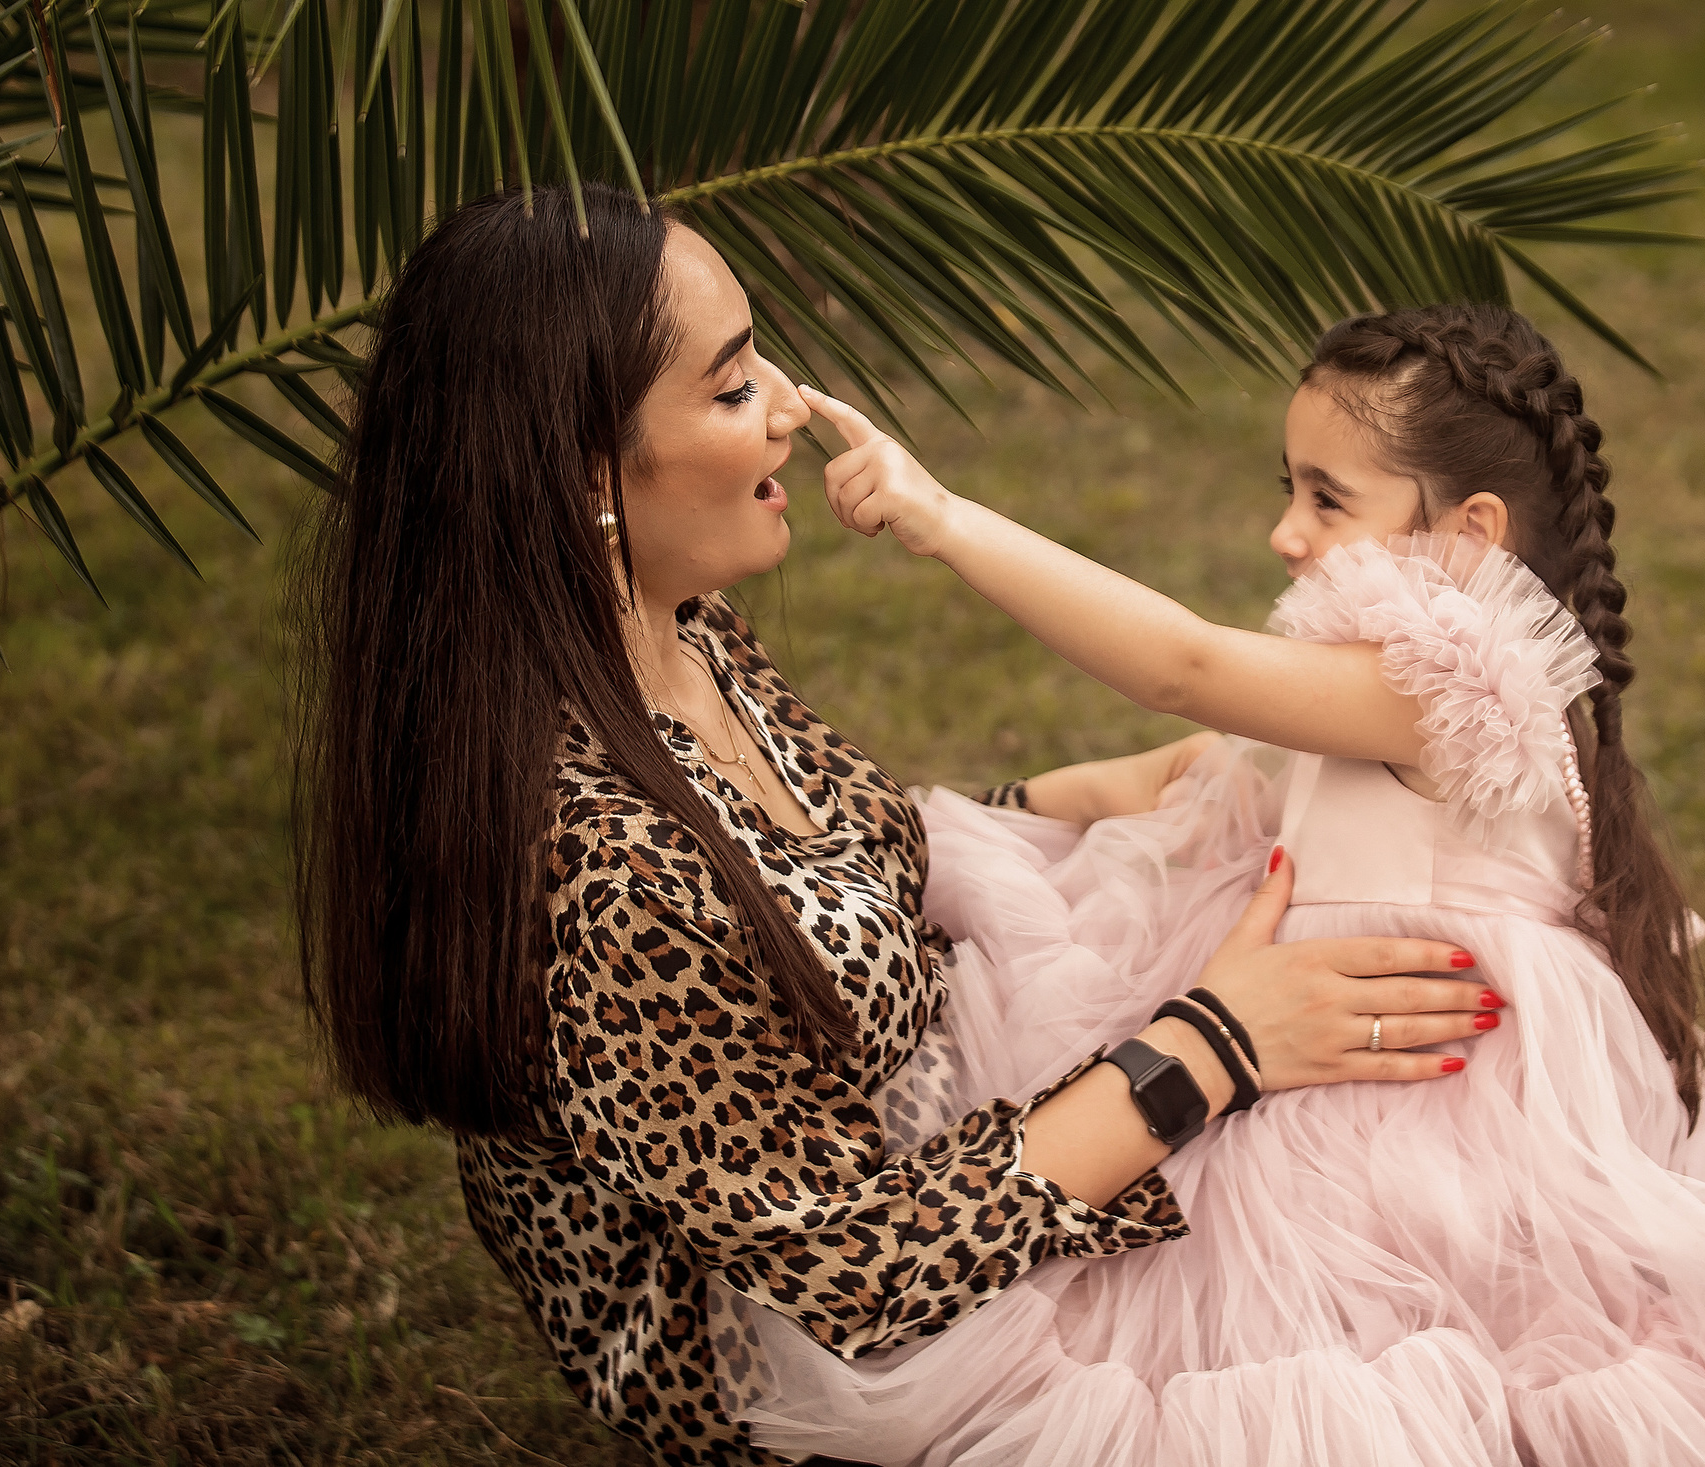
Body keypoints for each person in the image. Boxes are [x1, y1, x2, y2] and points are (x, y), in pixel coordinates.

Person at [722, 303, 1705, 1465]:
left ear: (1467, 529)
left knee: (1333, 1348)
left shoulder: (1458, 686)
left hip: (1394, 1113)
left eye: (1326, 496)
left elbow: (1186, 668)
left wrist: (946, 518)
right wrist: (971, 824)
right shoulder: (1368, 682)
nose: (1284, 531)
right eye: (1290, 488)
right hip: (1303, 1035)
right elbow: (1182, 761)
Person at [289, 186, 1500, 1467]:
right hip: (816, 1368)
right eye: (731, 386)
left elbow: (828, 861)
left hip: (941, 1160)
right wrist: (1214, 1046)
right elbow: (859, 1272)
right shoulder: (606, 868)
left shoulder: (660, 632)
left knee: (1391, 1198)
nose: (791, 409)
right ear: (592, 472)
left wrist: (1101, 793)